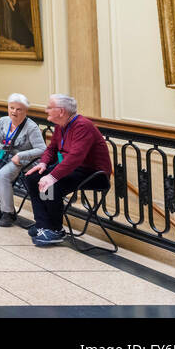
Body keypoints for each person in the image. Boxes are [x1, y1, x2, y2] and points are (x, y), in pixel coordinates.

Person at [21, 93, 111, 246]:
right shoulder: (61, 125)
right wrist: (43, 164)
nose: (46, 110)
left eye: (50, 107)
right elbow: (51, 149)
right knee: (32, 178)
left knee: (52, 186)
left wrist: (52, 177)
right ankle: (44, 225)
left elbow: (76, 156)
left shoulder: (83, 126)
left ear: (61, 111)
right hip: (72, 168)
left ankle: (55, 230)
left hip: (93, 173)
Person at [0, 93, 45, 227]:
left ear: (25, 111)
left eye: (19, 109)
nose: (14, 111)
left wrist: (21, 155)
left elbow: (42, 149)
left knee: (1, 175)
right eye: (11, 108)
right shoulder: (3, 121)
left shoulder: (31, 127)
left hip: (22, 161)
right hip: (2, 157)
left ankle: (8, 213)